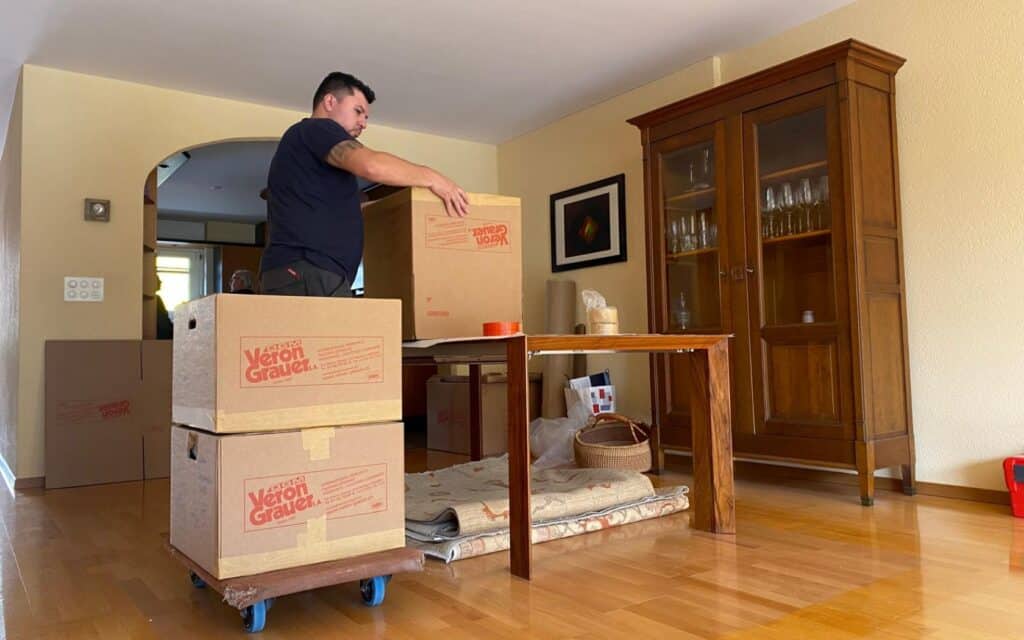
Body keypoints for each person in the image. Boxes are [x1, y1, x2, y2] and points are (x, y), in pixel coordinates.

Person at [260, 72, 469, 297]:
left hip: (305, 273)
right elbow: (371, 166)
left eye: (366, 117)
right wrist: (435, 179)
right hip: (309, 271)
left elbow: (329, 209)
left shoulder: (307, 150)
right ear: (330, 102)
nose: (363, 123)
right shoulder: (317, 129)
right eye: (358, 111)